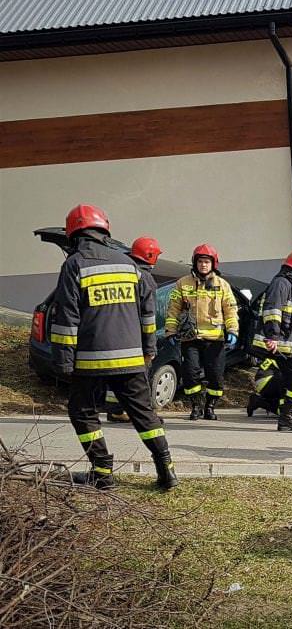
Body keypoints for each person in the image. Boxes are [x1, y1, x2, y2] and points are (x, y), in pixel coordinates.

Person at [51, 204, 177, 490]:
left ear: (74, 233)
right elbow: (147, 315)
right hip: (131, 359)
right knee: (144, 414)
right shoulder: (129, 264)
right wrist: (148, 349)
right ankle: (166, 469)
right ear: (104, 230)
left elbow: (67, 319)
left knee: (83, 412)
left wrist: (63, 363)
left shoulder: (74, 265)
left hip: (90, 361)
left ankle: (102, 472)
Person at [164, 244, 238, 421]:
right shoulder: (182, 283)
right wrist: (170, 331)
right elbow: (173, 309)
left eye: (206, 262)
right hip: (191, 338)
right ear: (194, 263)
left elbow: (230, 310)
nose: (203, 265)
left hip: (215, 339)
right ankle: (196, 406)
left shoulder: (222, 285)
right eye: (200, 261)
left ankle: (210, 407)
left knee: (216, 376)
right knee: (190, 374)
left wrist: (233, 330)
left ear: (213, 264)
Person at [252, 249, 292, 432]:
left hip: (286, 343)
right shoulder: (281, 284)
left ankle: (285, 416)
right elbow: (273, 310)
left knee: (290, 378)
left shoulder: (290, 285)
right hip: (279, 343)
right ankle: (287, 415)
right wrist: (272, 336)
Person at [105, 236, 163, 423]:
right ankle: (144, 415)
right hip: (136, 338)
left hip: (115, 335)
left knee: (117, 376)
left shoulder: (122, 272)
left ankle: (115, 410)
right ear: (151, 255)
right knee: (139, 378)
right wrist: (150, 347)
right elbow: (148, 318)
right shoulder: (145, 278)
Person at [247, 326, 292, 417]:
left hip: (273, 378)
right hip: (266, 380)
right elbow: (287, 377)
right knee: (285, 410)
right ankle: (259, 402)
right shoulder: (289, 353)